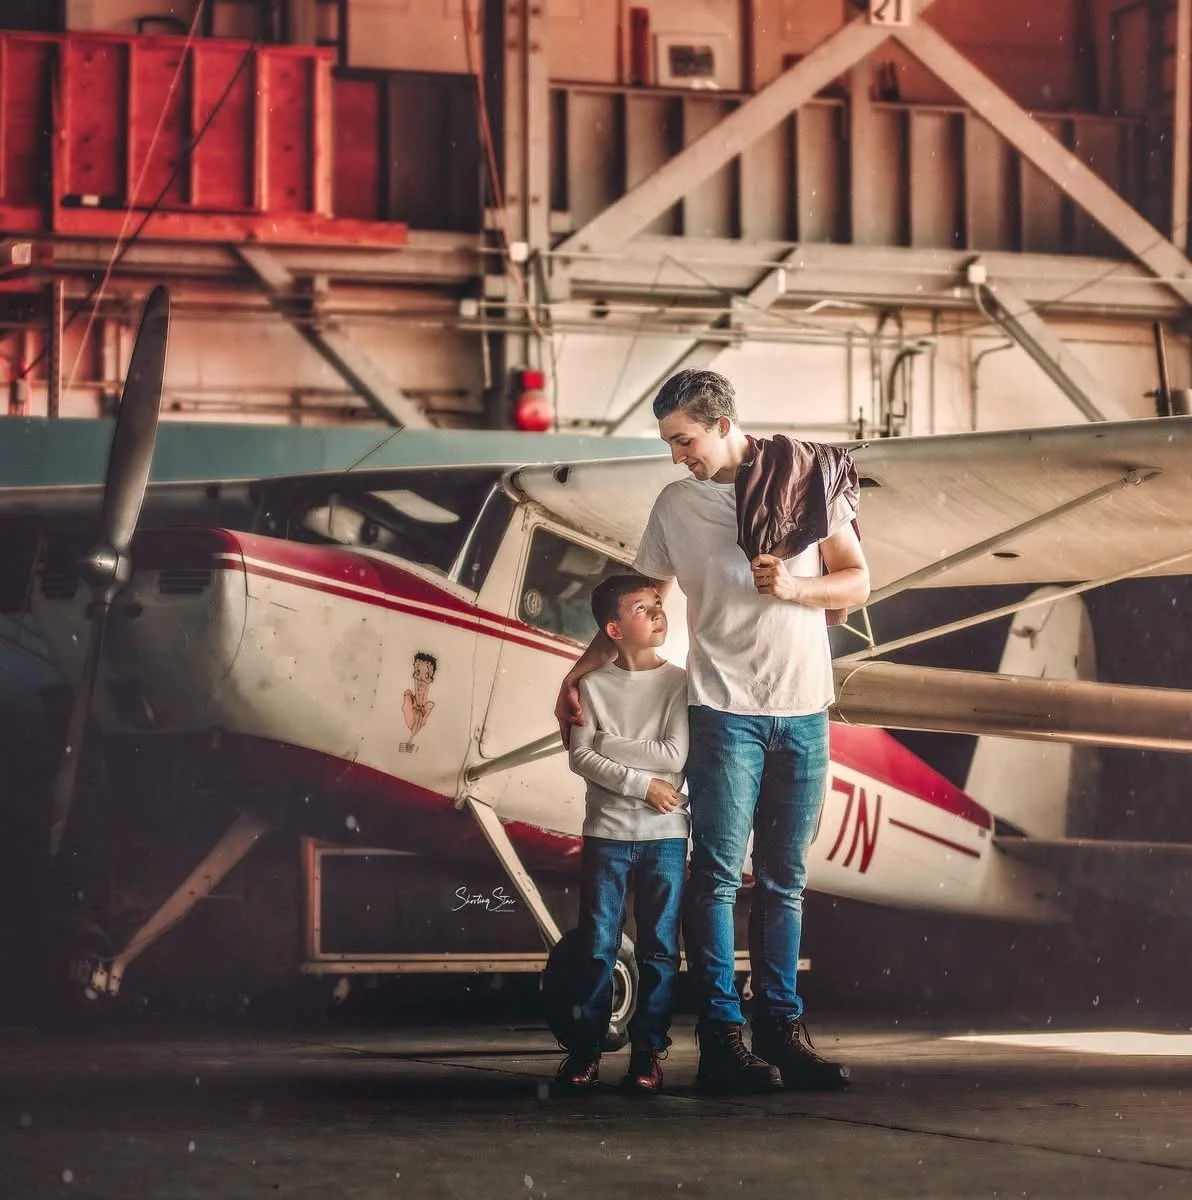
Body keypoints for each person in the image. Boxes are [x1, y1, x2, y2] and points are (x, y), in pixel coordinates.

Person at [555, 369, 869, 1095]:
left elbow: (855, 581)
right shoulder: (675, 506)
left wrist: (795, 587)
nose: (677, 455)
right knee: (720, 878)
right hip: (723, 711)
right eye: (670, 442)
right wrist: (575, 678)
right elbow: (640, 604)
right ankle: (725, 1039)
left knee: (786, 882)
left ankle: (782, 1033)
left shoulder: (808, 477)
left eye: (684, 440)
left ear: (722, 423)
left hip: (803, 711)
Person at [556, 574, 690, 1094]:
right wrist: (642, 783)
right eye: (643, 607)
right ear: (614, 628)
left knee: (659, 948)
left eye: (659, 604)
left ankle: (647, 1053)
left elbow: (675, 757)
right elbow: (579, 757)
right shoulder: (588, 686)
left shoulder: (679, 682)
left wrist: (610, 744)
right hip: (606, 835)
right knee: (597, 945)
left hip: (666, 836)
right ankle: (585, 1050)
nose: (659, 612)